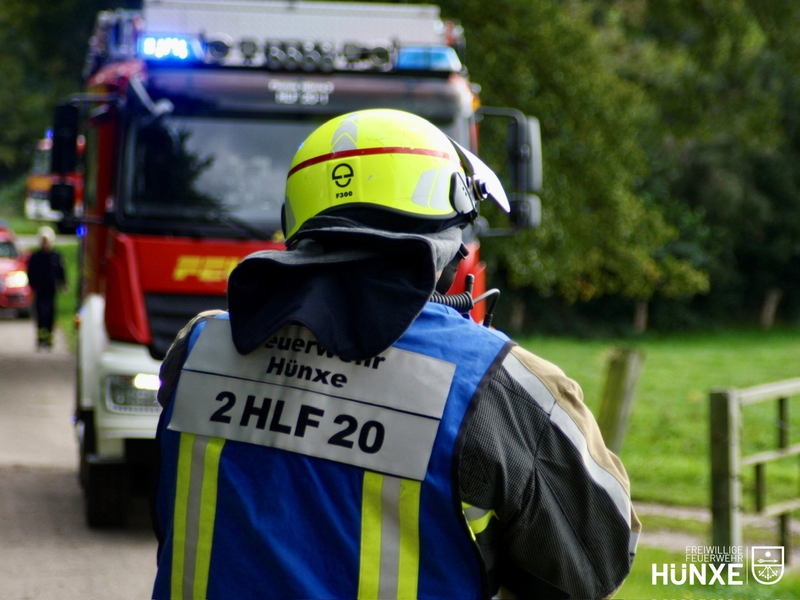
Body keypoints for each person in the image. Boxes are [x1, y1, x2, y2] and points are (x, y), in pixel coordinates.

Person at [151, 109, 640, 599]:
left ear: (295, 222)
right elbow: (597, 560)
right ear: (451, 239)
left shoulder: (197, 348)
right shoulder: (498, 385)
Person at [26, 226, 66, 350]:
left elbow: (61, 271)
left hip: (51, 289)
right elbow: (30, 271)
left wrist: (63, 283)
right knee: (40, 313)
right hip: (40, 289)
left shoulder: (56, 256)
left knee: (50, 313)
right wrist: (32, 284)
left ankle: (49, 338)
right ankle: (40, 338)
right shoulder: (36, 256)